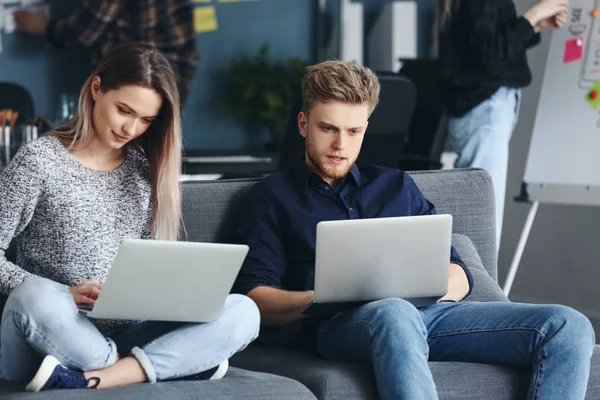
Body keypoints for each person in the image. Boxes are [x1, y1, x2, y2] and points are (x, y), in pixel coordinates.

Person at [231, 60, 595, 399]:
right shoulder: (271, 197)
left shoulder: (396, 186)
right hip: (341, 324)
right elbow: (255, 298)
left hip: (429, 314)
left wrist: (426, 286)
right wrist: (322, 298)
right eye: (329, 129)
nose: (341, 145)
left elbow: (458, 275)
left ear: (366, 129)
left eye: (354, 131)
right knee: (394, 312)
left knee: (568, 325)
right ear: (302, 124)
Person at [0, 42, 259, 392]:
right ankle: (165, 365)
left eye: (147, 120)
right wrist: (64, 293)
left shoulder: (142, 170)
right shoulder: (39, 162)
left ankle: (102, 377)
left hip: (132, 331)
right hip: (60, 330)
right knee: (34, 296)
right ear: (96, 89)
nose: (131, 128)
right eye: (124, 110)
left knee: (244, 311)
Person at [437, 0, 569, 248]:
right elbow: (491, 54)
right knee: (482, 216)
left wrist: (533, 26)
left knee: (477, 211)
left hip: (480, 109)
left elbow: (483, 44)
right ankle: (477, 286)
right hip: (484, 109)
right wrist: (534, 14)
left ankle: (472, 283)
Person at [13, 1, 198, 105]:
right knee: (152, 151)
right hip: (173, 72)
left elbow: (88, 27)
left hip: (139, 74)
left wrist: (45, 27)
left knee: (131, 151)